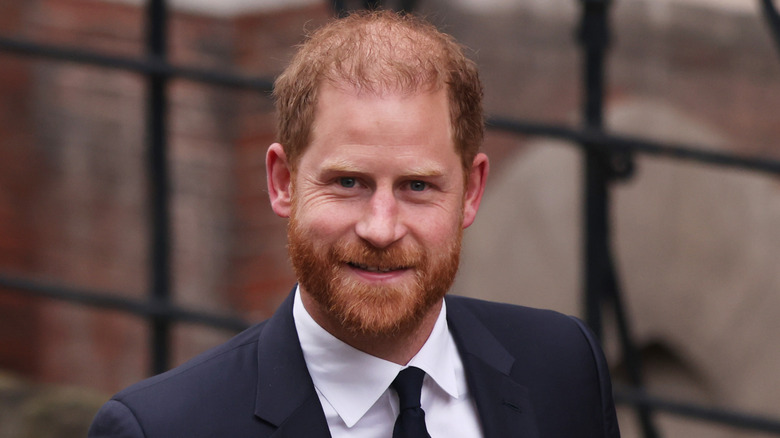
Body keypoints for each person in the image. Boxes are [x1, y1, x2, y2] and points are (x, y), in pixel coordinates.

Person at [89, 10, 620, 438]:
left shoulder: (563, 363)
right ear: (282, 182)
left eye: (418, 186)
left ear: (471, 193)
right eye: (348, 183)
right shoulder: (162, 428)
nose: (381, 229)